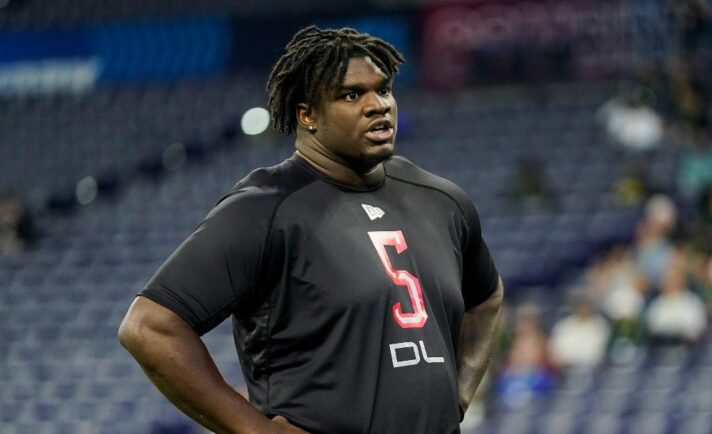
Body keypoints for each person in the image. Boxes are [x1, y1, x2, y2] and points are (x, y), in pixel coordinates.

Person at [118, 26, 503, 434]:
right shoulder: (264, 207)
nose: (378, 105)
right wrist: (255, 431)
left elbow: (487, 297)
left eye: (384, 89)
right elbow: (149, 327)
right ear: (307, 116)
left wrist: (457, 396)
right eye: (352, 95)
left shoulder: (441, 199)